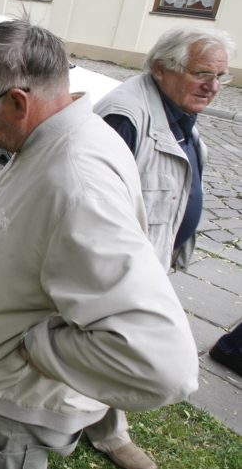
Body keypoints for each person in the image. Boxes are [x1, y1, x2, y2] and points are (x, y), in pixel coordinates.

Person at [0, 19, 198, 469]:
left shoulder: (76, 181)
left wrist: (40, 347)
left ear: (17, 101)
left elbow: (162, 364)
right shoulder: (54, 140)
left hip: (3, 417)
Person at [91, 27, 234, 469]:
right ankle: (108, 434)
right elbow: (93, 204)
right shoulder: (125, 115)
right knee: (115, 344)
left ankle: (97, 422)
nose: (213, 86)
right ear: (161, 69)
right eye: (202, 74)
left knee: (115, 344)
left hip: (151, 257)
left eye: (221, 76)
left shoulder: (176, 109)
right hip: (116, 267)